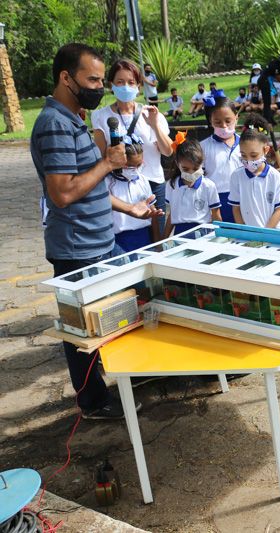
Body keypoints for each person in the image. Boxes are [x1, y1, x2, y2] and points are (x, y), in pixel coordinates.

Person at [30, 43, 159, 419]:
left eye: (102, 80)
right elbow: (63, 193)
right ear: (66, 78)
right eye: (93, 79)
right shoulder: (55, 125)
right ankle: (93, 401)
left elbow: (88, 187)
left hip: (100, 241)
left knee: (129, 305)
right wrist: (107, 163)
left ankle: (129, 374)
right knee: (82, 330)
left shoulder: (72, 119)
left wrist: (128, 207)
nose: (100, 87)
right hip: (78, 248)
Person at [92, 59, 173, 236]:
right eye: (120, 82)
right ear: (111, 85)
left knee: (157, 236)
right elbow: (100, 156)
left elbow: (168, 151)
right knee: (127, 234)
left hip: (152, 183)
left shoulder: (151, 113)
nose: (126, 87)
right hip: (120, 186)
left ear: (138, 85)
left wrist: (154, 125)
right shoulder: (101, 116)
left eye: (131, 82)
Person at [229, 114, 280, 229]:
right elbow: (236, 208)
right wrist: (244, 231)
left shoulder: (274, 176)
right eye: (243, 155)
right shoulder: (236, 176)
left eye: (254, 155)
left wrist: (266, 233)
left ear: (266, 150)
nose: (248, 160)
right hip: (249, 234)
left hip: (273, 232)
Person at [108, 134, 159, 251]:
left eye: (139, 165)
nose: (135, 170)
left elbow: (153, 214)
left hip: (144, 237)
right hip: (119, 242)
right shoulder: (107, 182)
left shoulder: (142, 180)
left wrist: (158, 243)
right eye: (130, 166)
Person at [165, 138, 222, 236]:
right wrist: (164, 238)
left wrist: (219, 237)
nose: (191, 173)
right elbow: (172, 214)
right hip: (180, 233)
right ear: (178, 164)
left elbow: (216, 216)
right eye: (185, 169)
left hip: (203, 233)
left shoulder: (208, 186)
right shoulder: (172, 185)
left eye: (195, 168)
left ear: (202, 163)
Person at [200, 98, 240, 223]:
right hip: (215, 201)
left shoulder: (245, 144)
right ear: (211, 121)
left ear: (236, 118)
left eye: (228, 121)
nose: (223, 126)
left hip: (242, 198)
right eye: (217, 122)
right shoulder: (203, 147)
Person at [257, 57, 280, 126]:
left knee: (268, 103)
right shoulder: (276, 66)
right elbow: (279, 79)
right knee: (267, 103)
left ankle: (270, 119)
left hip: (265, 82)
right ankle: (267, 120)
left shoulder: (277, 64)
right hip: (264, 82)